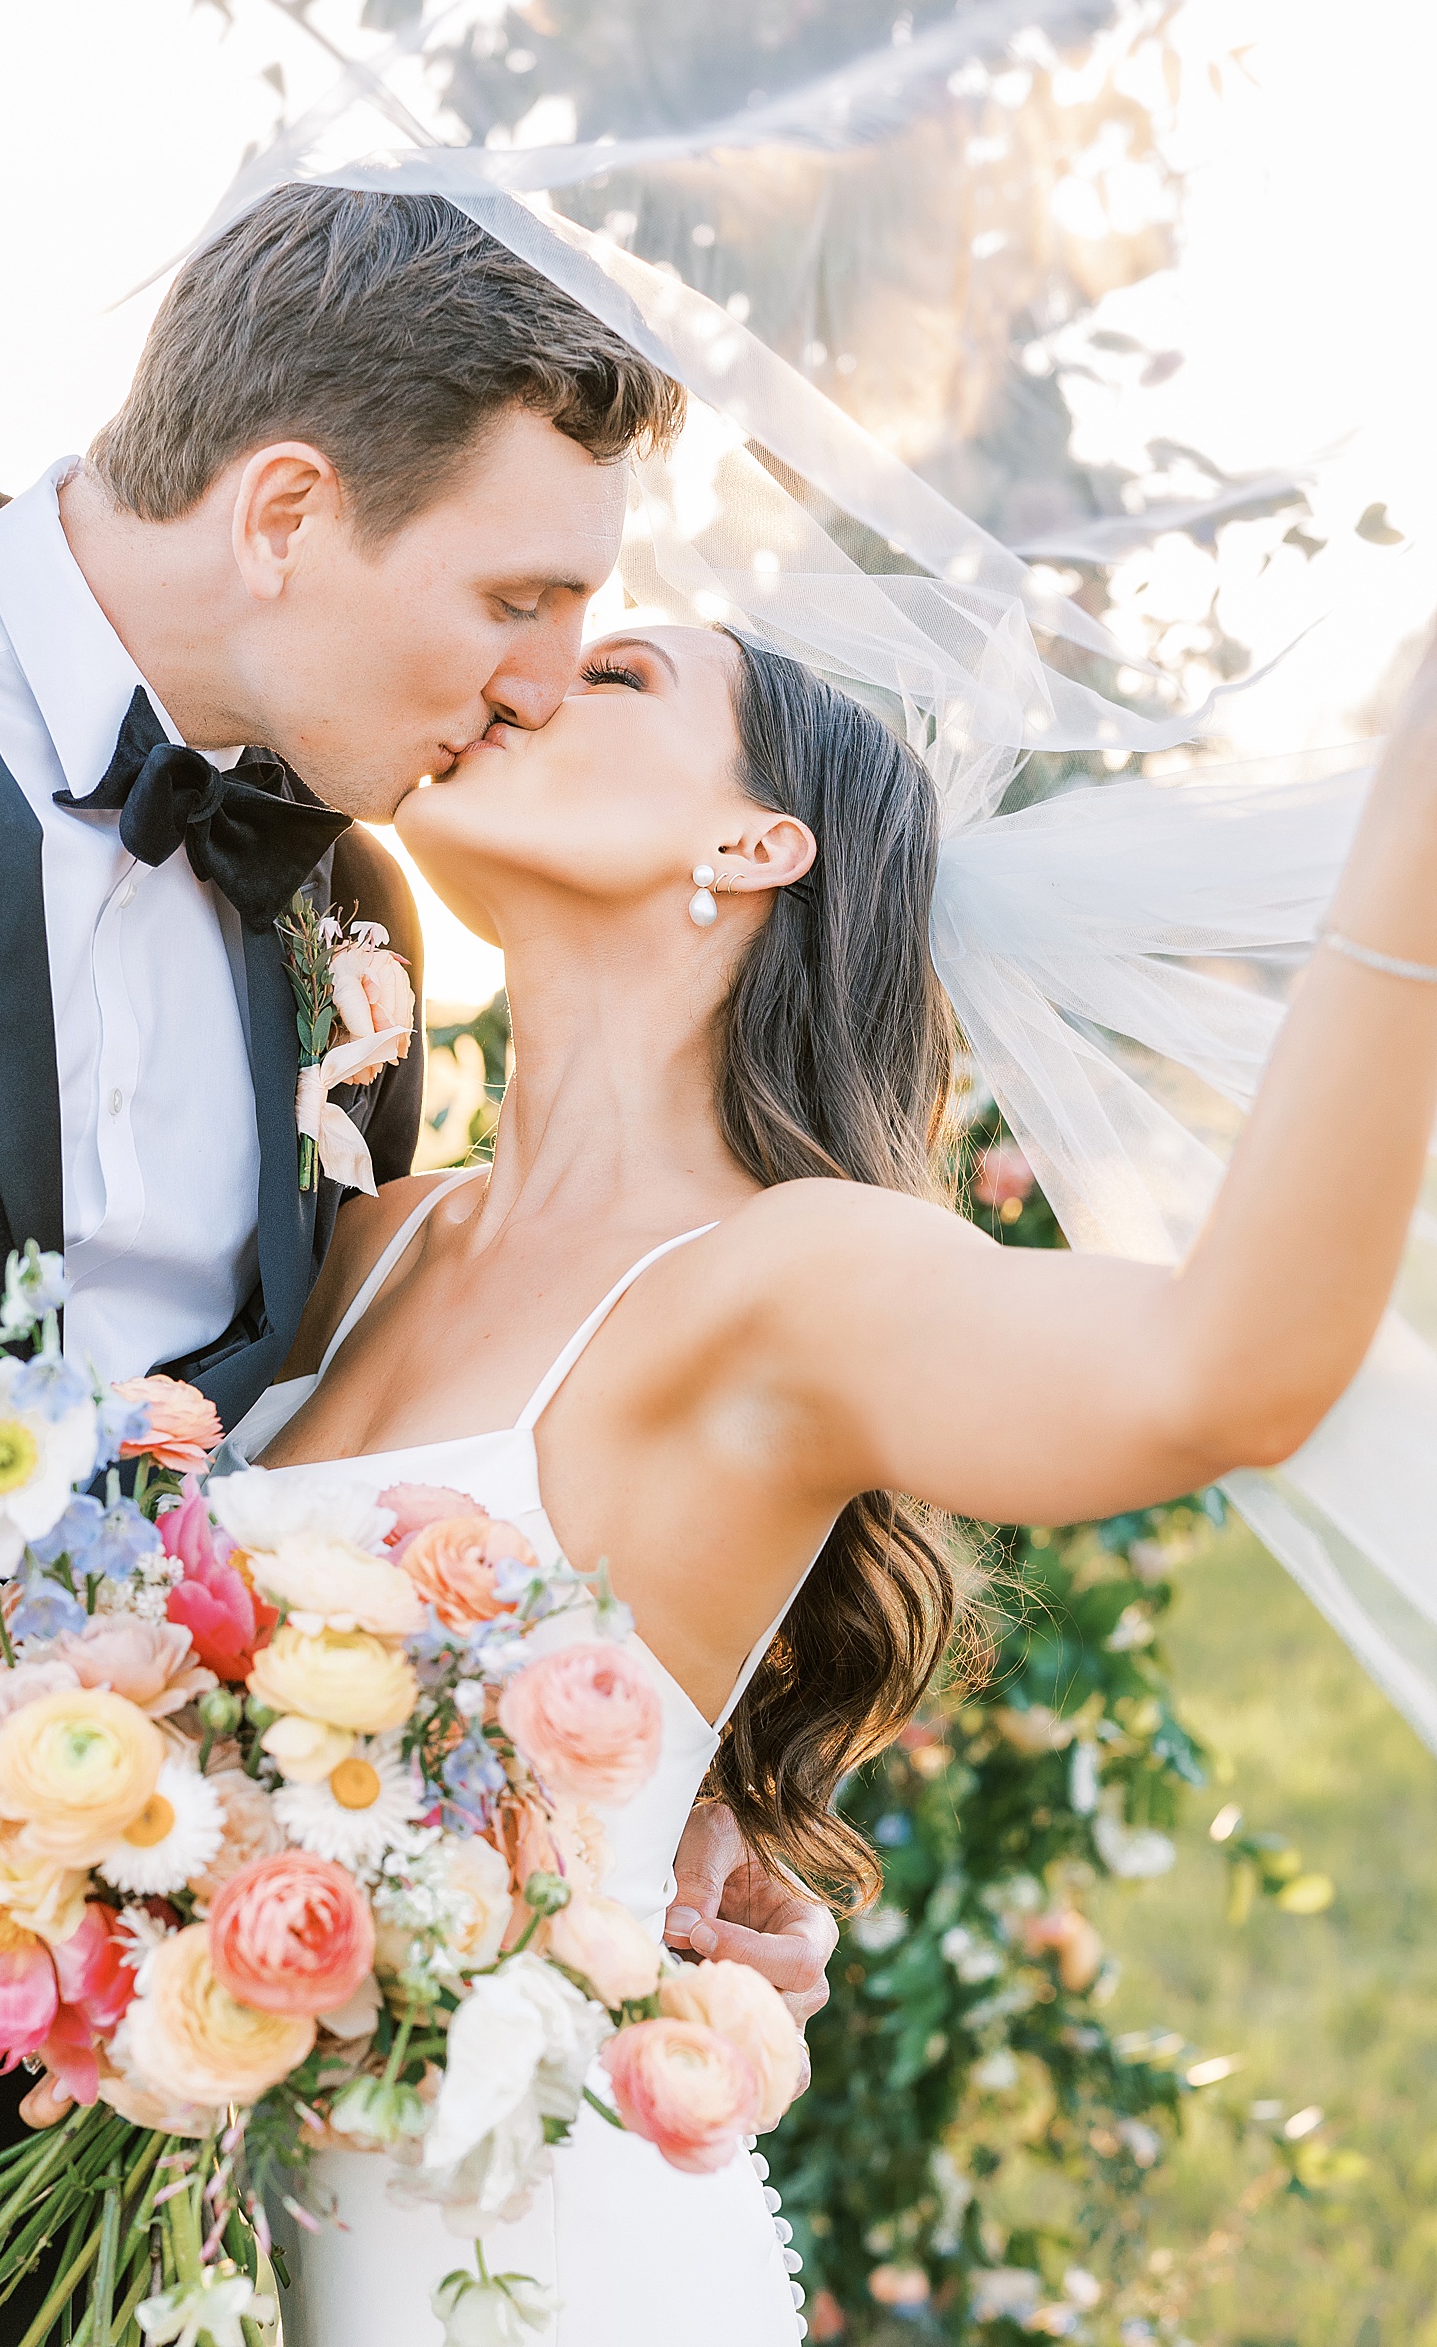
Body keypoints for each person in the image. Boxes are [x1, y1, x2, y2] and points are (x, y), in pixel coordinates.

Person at [0, 189, 830, 2347]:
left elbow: (371, 1468)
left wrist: (673, 1838)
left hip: (88, 2179)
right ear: (287, 506)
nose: (546, 678)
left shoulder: (351, 914)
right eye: (522, 594)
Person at [219, 620, 1437, 2341]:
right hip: (231, 2243)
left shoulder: (790, 1280)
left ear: (751, 843)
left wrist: (1415, 823)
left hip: (520, 2277)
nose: (523, 679)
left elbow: (1220, 1378)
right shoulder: (376, 1241)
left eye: (619, 674)